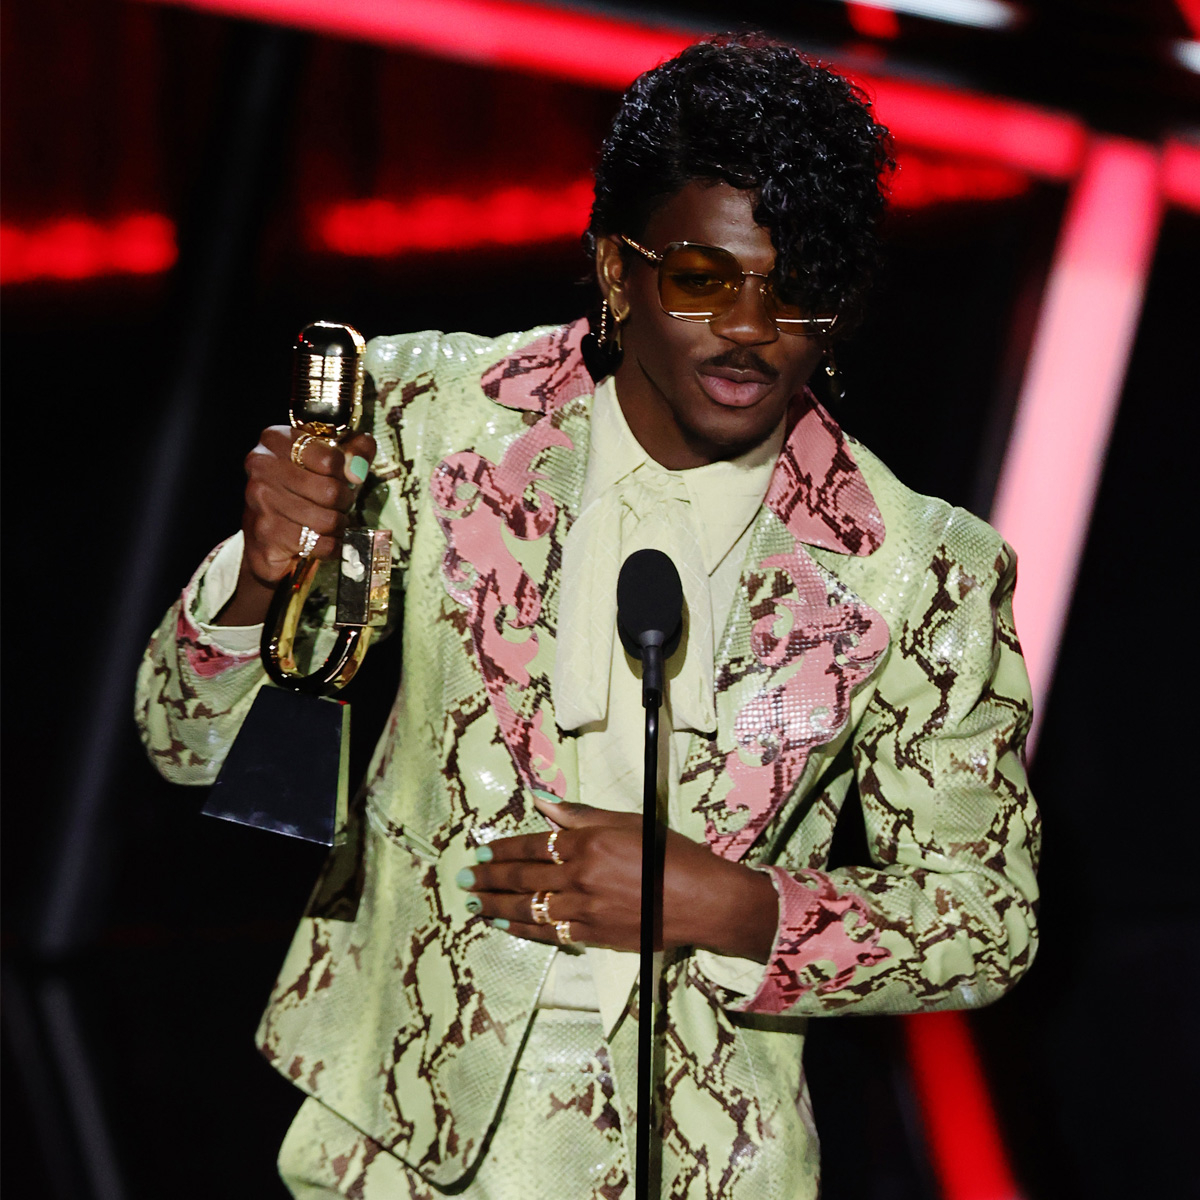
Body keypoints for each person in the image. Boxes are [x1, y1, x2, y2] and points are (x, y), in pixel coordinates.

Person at [136, 35, 1040, 1200]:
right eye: (704, 277)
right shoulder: (434, 422)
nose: (751, 326)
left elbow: (984, 920)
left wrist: (731, 904)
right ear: (618, 268)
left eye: (799, 286)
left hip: (702, 1161)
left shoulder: (923, 570)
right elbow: (185, 743)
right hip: (394, 1146)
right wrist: (262, 578)